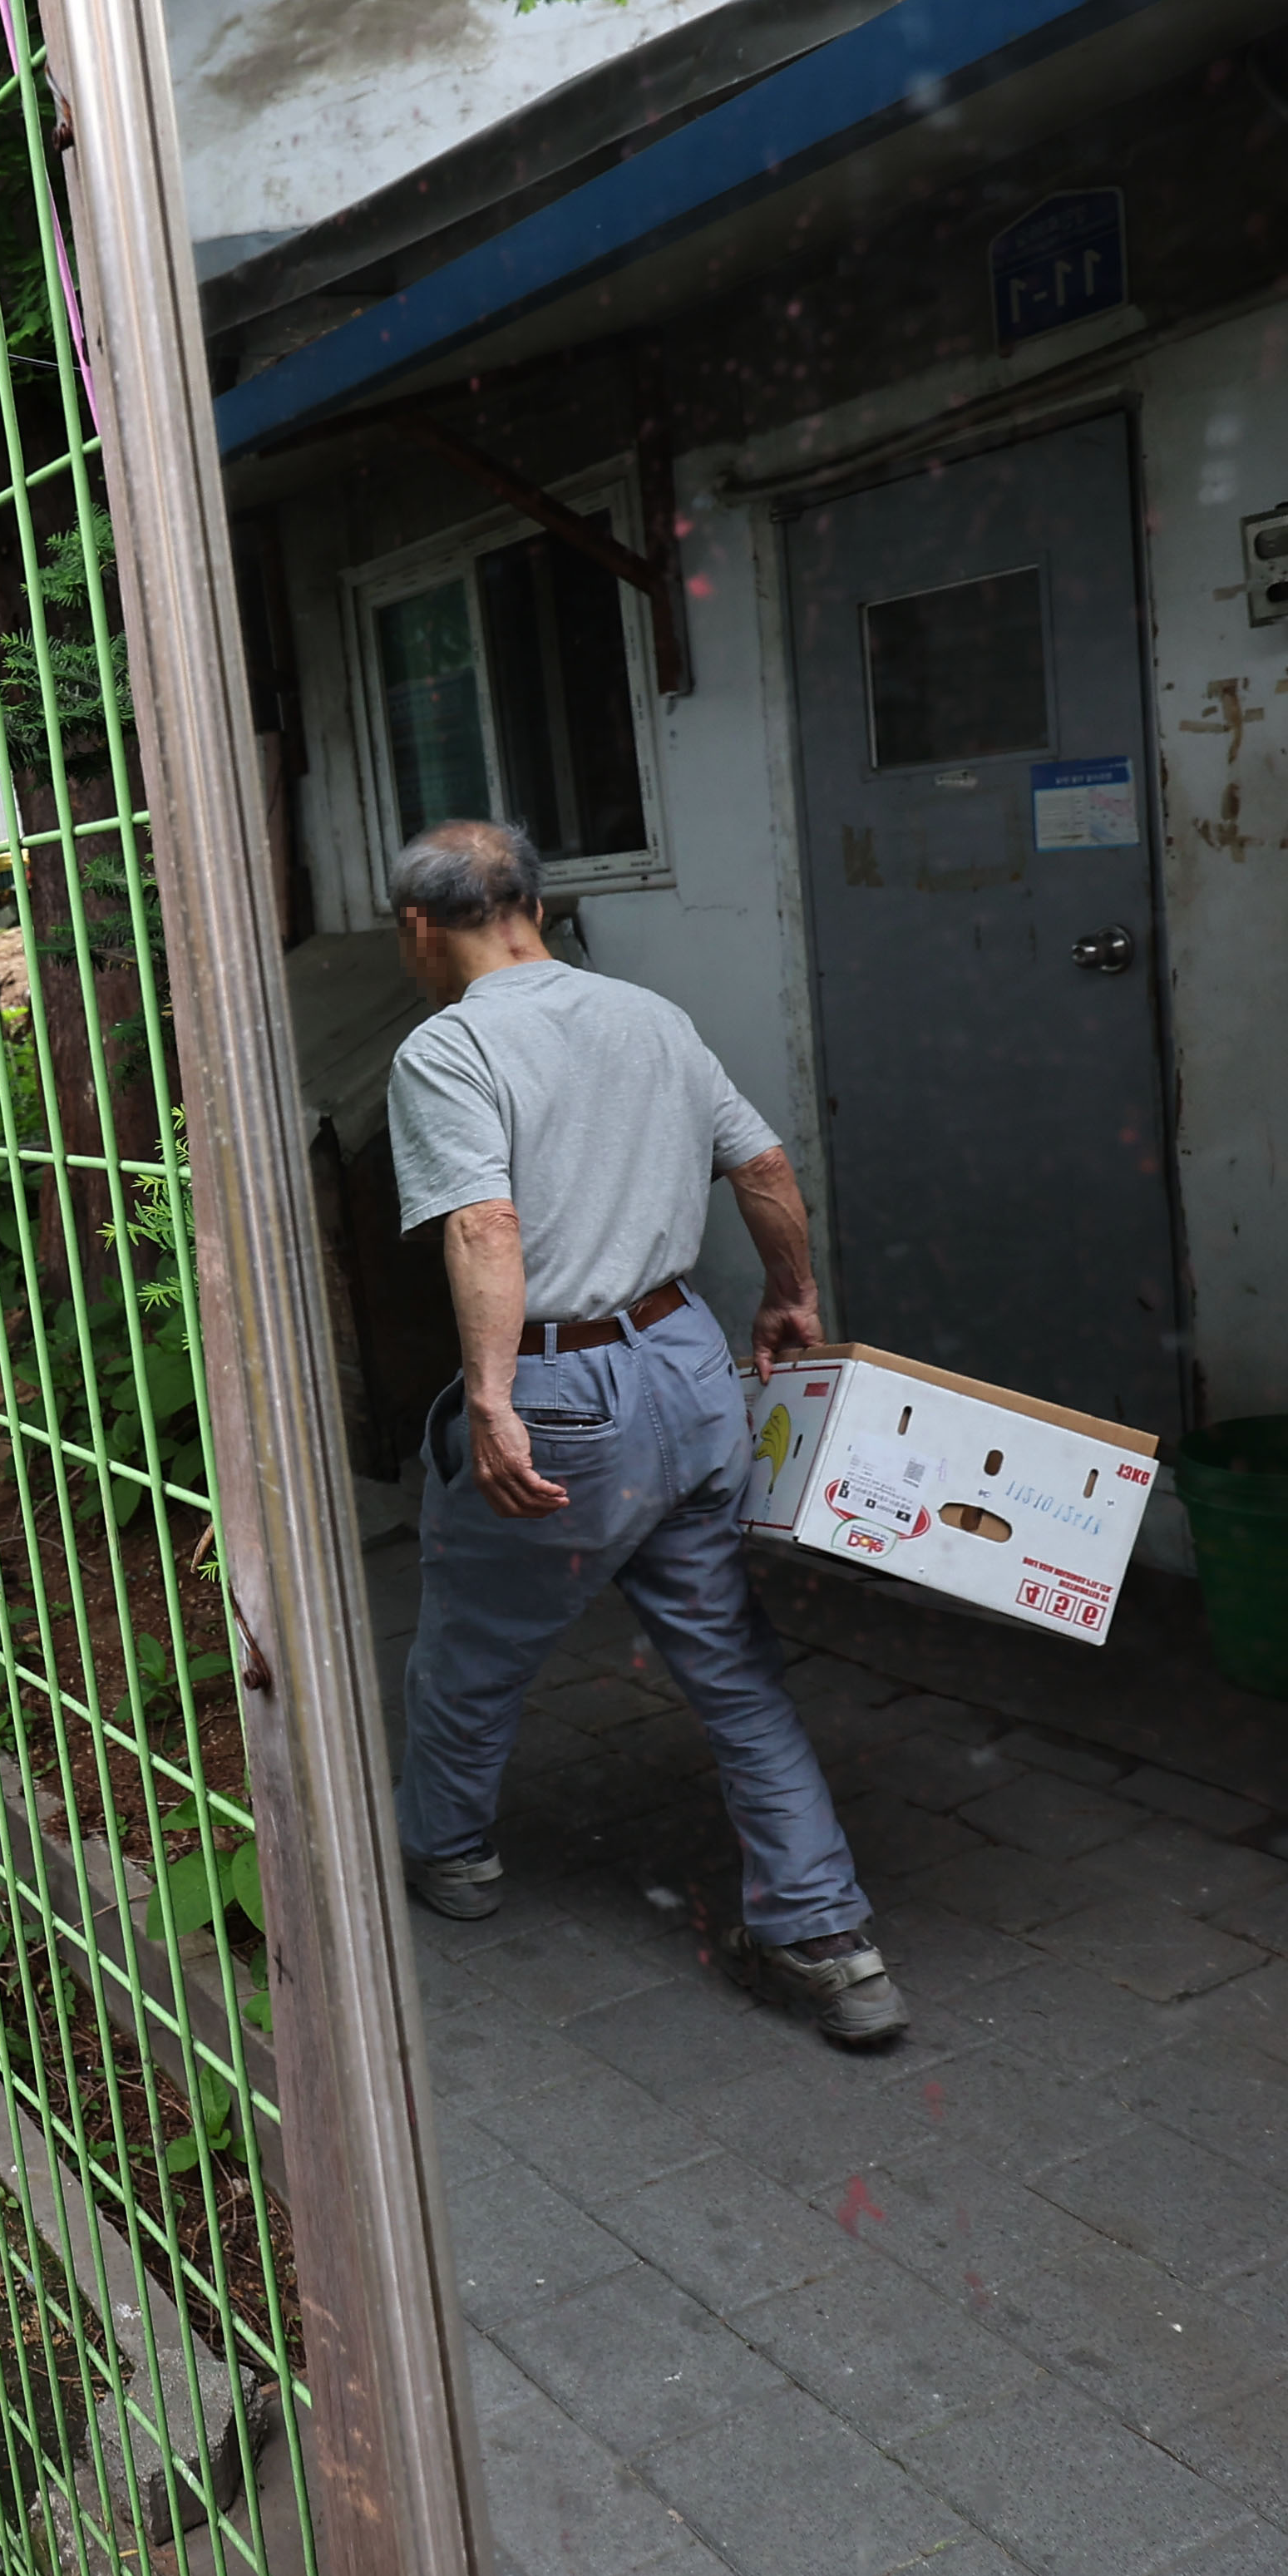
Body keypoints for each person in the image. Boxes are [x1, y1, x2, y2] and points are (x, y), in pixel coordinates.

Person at [383, 818, 904, 2048]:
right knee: (732, 1662)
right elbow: (765, 1164)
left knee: (469, 1647)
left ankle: (450, 1857)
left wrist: (496, 1401)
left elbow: (486, 1231)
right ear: (539, 907)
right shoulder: (649, 1016)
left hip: (566, 1394)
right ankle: (829, 1943)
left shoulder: (447, 1050)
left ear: (420, 928)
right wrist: (790, 1293)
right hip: (689, 1365)